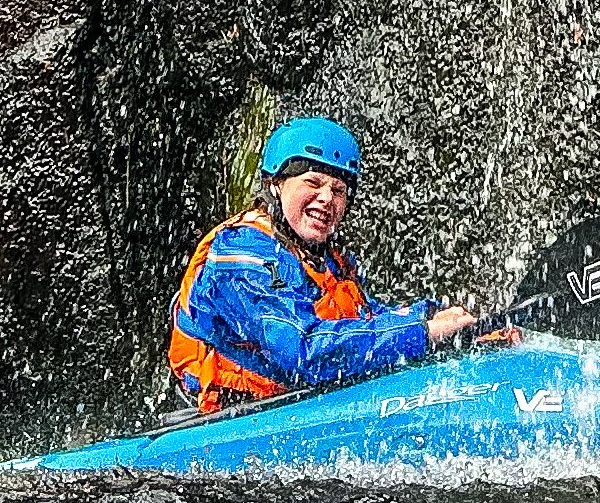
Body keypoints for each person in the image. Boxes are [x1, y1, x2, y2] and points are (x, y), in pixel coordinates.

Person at [167, 115, 484, 412]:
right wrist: (423, 332)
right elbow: (302, 352)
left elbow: (364, 318)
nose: (326, 198)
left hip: (294, 402)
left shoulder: (326, 259)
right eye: (313, 182)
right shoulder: (242, 256)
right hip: (237, 415)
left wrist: (436, 317)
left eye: (338, 190)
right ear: (276, 184)